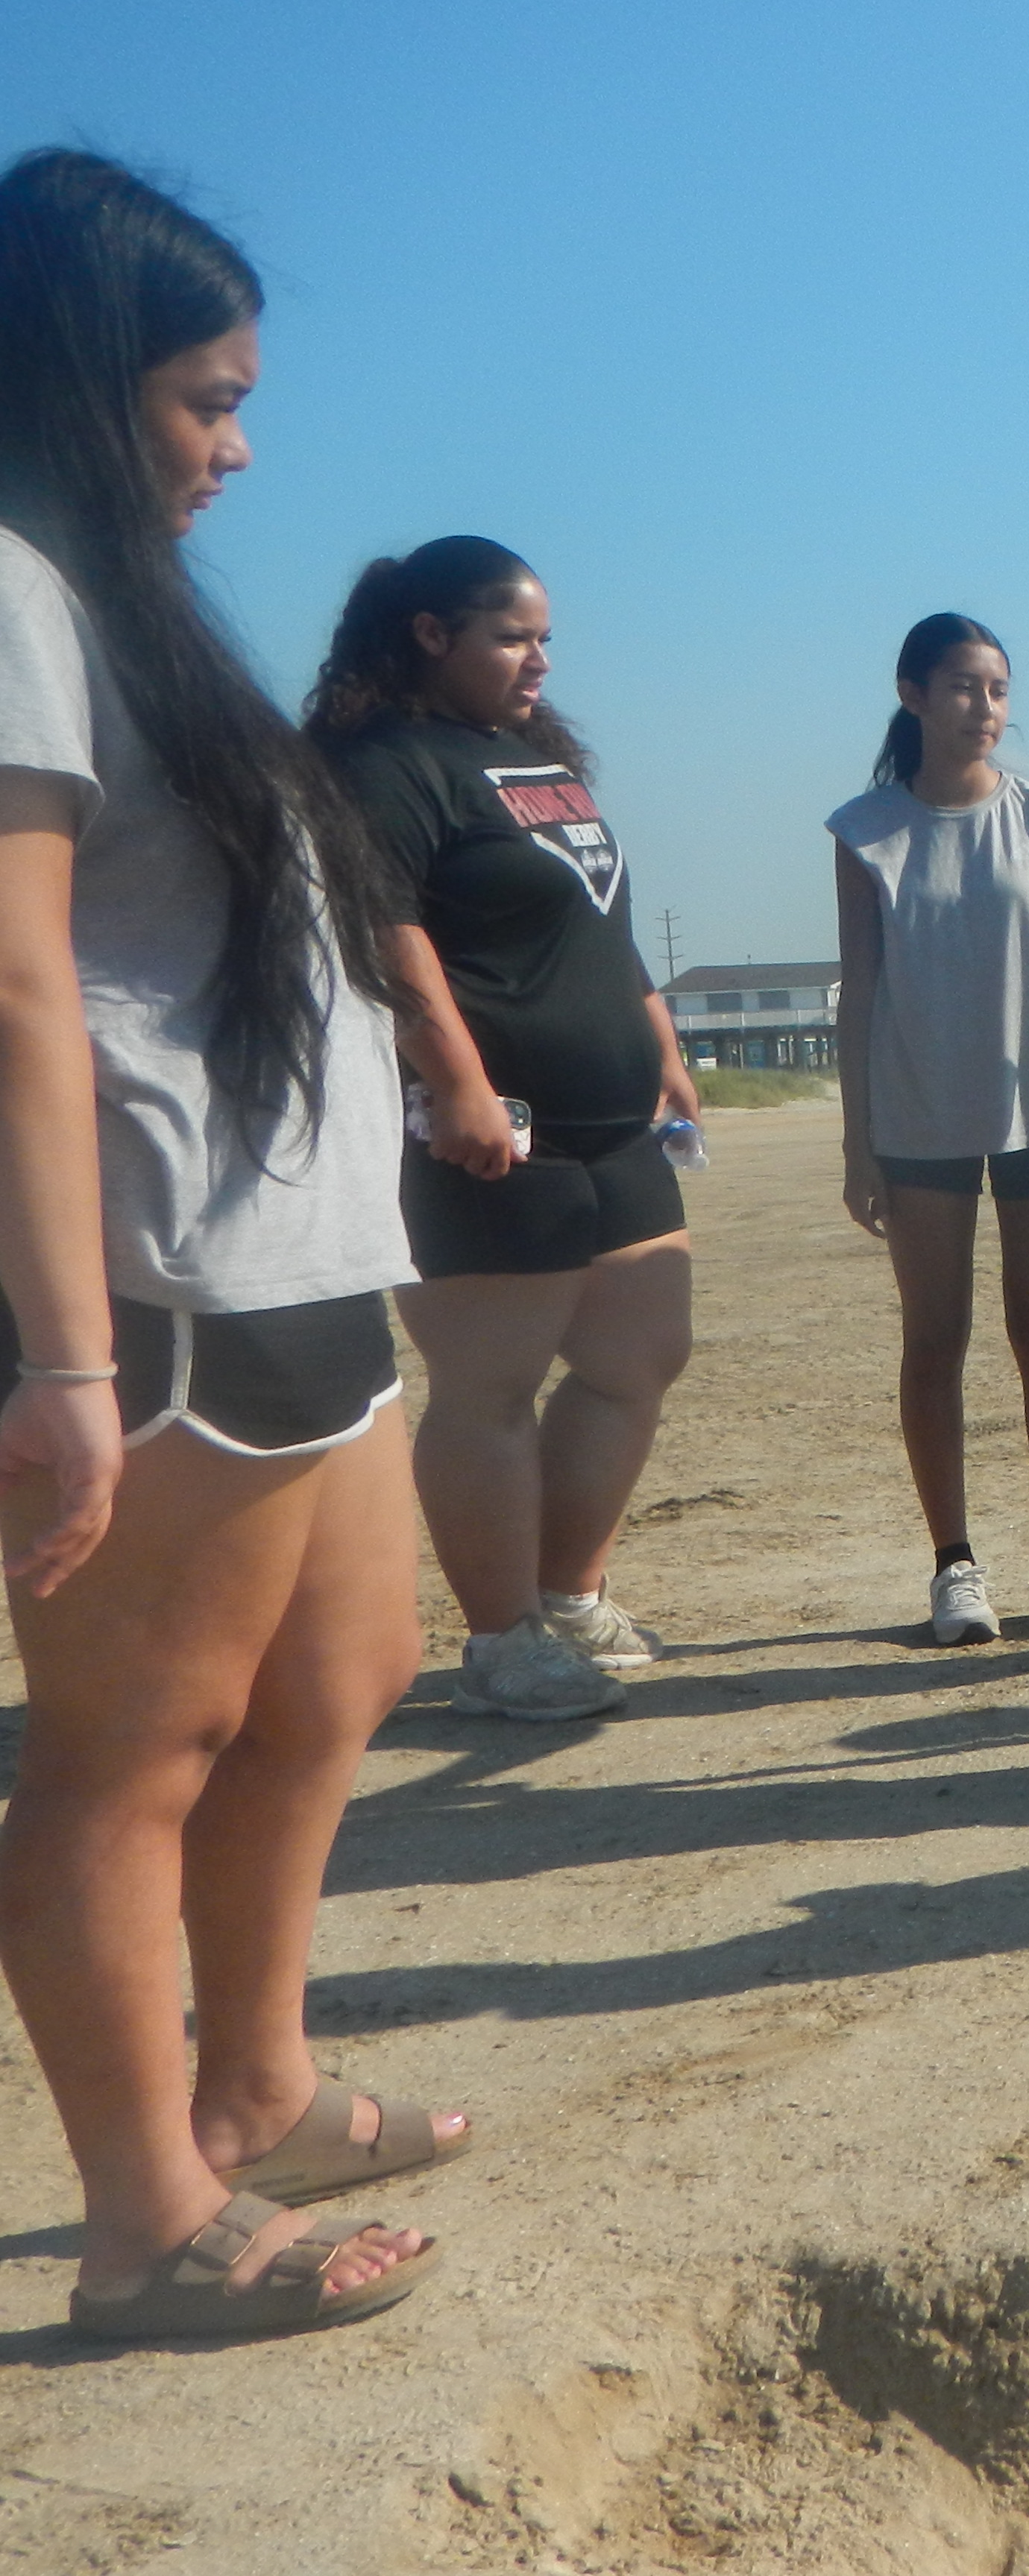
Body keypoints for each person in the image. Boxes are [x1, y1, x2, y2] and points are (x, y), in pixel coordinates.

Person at [0, 147, 454, 2340]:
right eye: (205, 398)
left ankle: (255, 2080)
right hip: (160, 1284)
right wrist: (64, 1363)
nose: (239, 444)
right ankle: (140, 2218)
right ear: (87, 386)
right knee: (128, 1750)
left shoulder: (125, 606)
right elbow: (12, 986)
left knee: (342, 1674)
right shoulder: (7, 586)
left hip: (300, 1262)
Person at [309, 538, 695, 1722]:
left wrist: (663, 1045)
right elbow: (389, 931)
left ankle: (568, 1598)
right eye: (514, 637)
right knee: (490, 1387)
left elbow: (597, 916)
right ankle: (501, 1638)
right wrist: (462, 1081)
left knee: (637, 1359)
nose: (539, 662)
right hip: (485, 1131)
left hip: (612, 1123)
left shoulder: (530, 758)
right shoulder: (384, 764)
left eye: (543, 640)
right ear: (432, 634)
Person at [828, 613, 1029, 1645]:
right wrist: (856, 1141)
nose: (984, 708)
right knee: (935, 1338)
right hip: (918, 1115)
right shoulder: (866, 830)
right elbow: (858, 991)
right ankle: (954, 1564)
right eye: (962, 687)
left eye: (997, 689)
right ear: (912, 693)